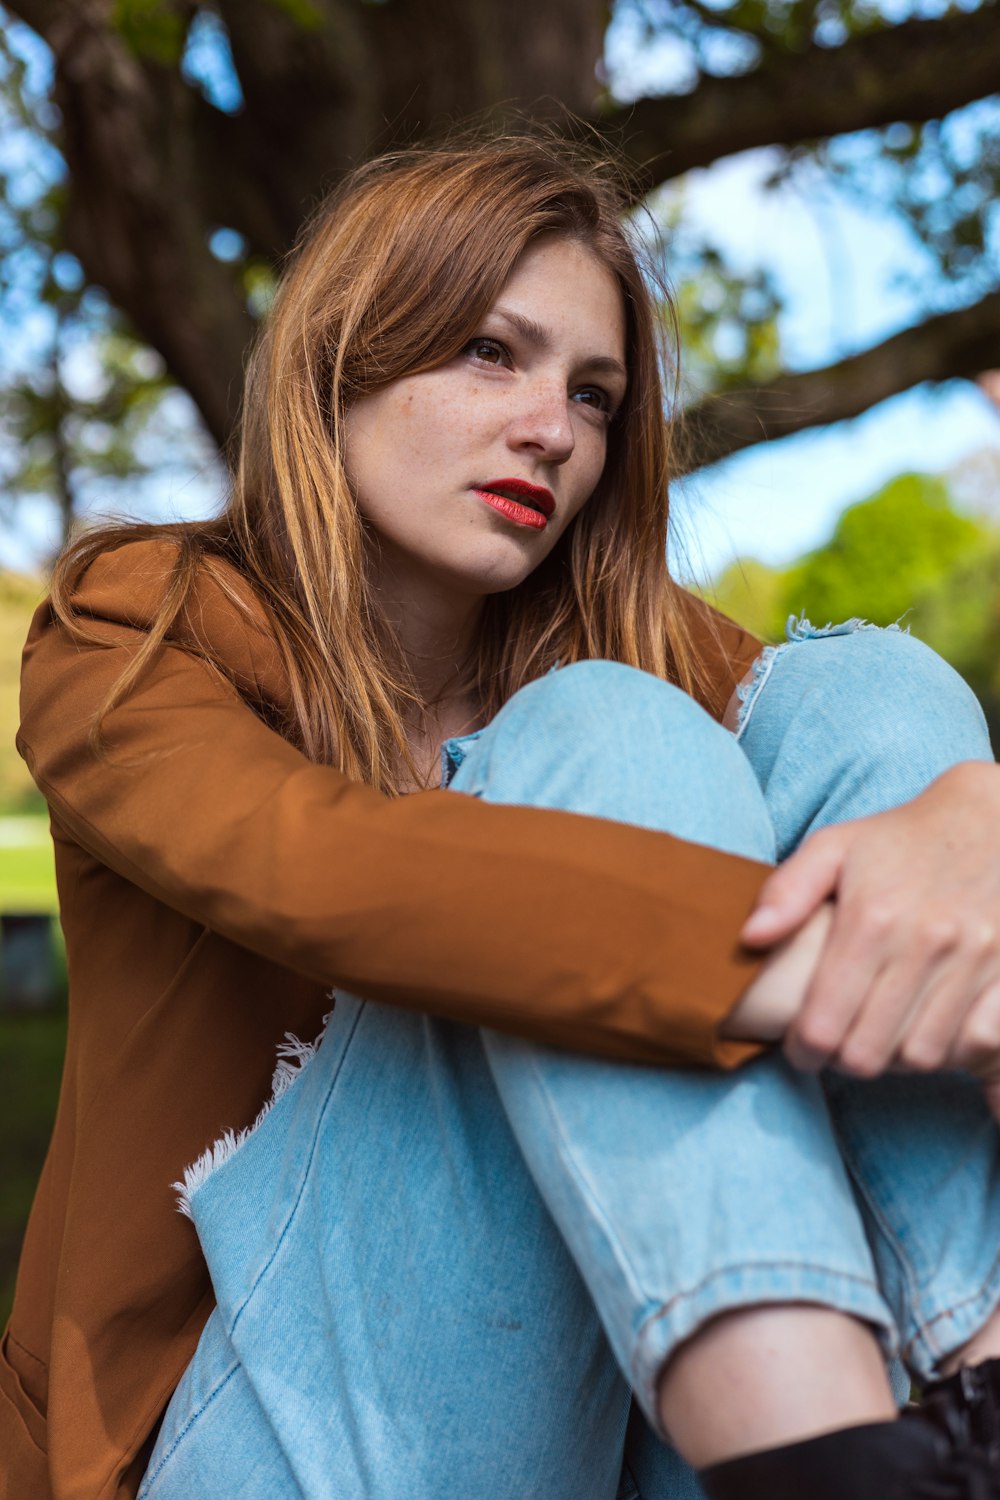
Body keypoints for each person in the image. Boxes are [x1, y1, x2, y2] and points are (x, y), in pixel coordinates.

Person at [4, 131, 1000, 1500]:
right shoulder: (134, 626)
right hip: (253, 1427)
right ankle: (829, 1460)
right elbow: (332, 877)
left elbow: (864, 743)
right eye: (490, 352)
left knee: (865, 688)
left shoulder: (625, 637)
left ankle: (969, 1380)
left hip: (615, 1423)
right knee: (603, 732)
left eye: (594, 396)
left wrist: (976, 817)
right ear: (346, 351)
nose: (554, 429)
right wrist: (853, 963)